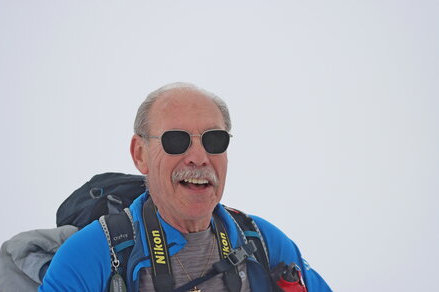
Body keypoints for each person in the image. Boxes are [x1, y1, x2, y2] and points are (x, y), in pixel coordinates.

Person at [39, 82, 332, 291]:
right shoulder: (92, 255)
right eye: (176, 140)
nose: (199, 158)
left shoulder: (263, 242)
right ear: (140, 154)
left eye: (213, 140)